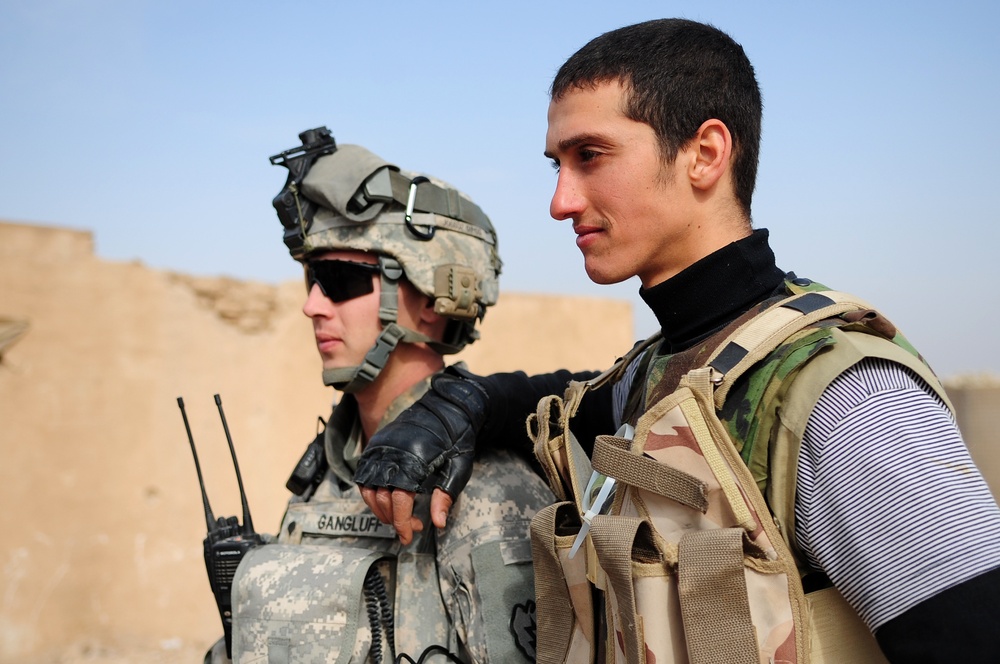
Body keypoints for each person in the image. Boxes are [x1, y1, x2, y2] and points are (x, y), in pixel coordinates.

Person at [353, 19, 1000, 662]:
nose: (559, 200)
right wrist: (456, 404)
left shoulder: (839, 397)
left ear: (706, 153)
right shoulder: (661, 372)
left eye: (591, 156)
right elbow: (552, 401)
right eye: (558, 164)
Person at [203, 127, 553, 663]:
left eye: (340, 281)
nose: (314, 306)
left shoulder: (482, 488)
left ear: (433, 300)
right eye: (310, 281)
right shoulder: (329, 469)